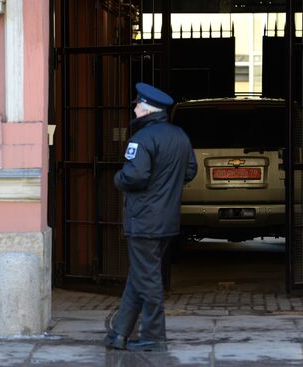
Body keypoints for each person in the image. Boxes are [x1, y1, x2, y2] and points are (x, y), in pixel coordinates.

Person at [104, 82, 197, 352]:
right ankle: (120, 333)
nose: (133, 108)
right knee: (140, 276)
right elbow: (190, 172)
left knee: (149, 280)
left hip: (144, 220)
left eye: (136, 105)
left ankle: (154, 336)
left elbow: (135, 176)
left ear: (146, 109)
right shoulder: (179, 135)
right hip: (167, 221)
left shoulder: (141, 139)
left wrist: (117, 178)